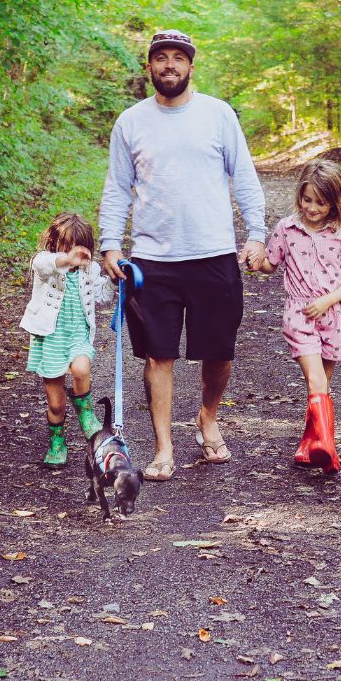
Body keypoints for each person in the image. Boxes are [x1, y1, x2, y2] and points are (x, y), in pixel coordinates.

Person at [99, 29, 267, 482]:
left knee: (219, 353)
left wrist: (256, 234)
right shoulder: (130, 122)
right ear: (149, 66)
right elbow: (117, 187)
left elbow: (244, 176)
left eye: (178, 58)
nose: (169, 65)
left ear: (191, 66)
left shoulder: (218, 115)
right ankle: (163, 447)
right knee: (158, 355)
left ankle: (208, 417)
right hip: (153, 260)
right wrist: (110, 244)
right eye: (161, 58)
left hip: (214, 253)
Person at [256, 159, 341, 474]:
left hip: (335, 316)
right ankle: (327, 448)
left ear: (335, 202)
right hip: (300, 315)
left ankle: (309, 445)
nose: (312, 208)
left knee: (321, 387)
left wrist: (327, 301)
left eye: (321, 202)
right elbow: (270, 264)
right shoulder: (287, 229)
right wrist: (255, 260)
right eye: (307, 200)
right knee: (316, 380)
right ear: (299, 195)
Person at [19, 213, 115, 467]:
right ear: (54, 244)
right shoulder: (46, 263)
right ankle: (57, 442)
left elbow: (103, 296)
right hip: (50, 338)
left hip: (78, 335)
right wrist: (65, 259)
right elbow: (43, 264)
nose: (74, 254)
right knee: (55, 403)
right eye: (66, 247)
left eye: (78, 247)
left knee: (81, 369)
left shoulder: (90, 269)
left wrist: (114, 281)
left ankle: (86, 412)